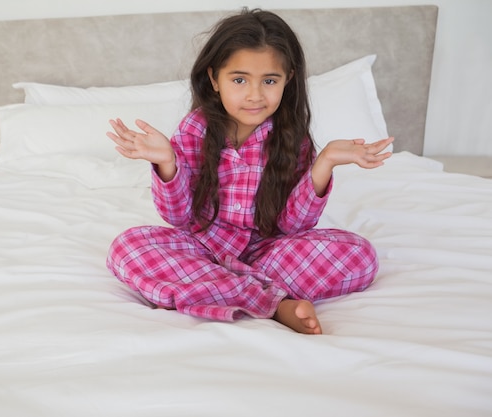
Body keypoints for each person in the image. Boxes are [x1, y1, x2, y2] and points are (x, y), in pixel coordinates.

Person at [106, 8, 393, 334]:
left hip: (268, 252)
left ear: (289, 79)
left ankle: (210, 291)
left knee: (360, 255)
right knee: (127, 247)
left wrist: (323, 164)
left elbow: (292, 227)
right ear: (214, 79)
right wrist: (167, 163)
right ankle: (273, 303)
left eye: (269, 80)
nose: (255, 95)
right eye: (239, 79)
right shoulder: (194, 130)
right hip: (202, 248)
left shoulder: (291, 138)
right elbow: (179, 217)